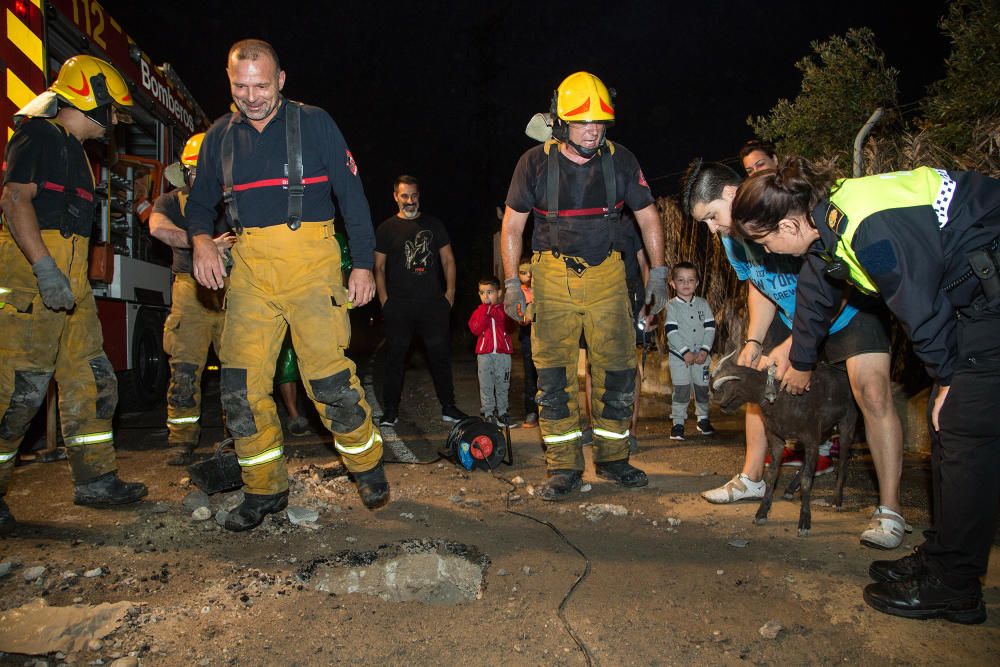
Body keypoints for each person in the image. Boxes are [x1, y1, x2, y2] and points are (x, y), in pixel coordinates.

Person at [731, 157, 1000, 625]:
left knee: (962, 430)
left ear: (791, 223)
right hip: (975, 289)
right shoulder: (830, 221)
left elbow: (921, 309)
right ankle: (943, 555)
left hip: (988, 292)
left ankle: (955, 585)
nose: (769, 252)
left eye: (767, 239)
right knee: (950, 436)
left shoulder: (869, 230)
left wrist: (948, 382)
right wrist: (800, 361)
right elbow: (816, 293)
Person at [186, 39, 387, 531]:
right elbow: (198, 205)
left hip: (312, 260)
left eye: (260, 85)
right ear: (229, 83)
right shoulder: (218, 137)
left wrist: (362, 264)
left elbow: (353, 197)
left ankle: (366, 465)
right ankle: (265, 489)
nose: (251, 97)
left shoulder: (314, 123)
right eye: (240, 86)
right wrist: (202, 243)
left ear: (280, 80)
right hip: (251, 269)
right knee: (240, 386)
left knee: (327, 379)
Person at [684, 161, 907, 551]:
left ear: (731, 196)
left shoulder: (788, 215)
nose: (711, 229)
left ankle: (890, 510)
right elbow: (758, 284)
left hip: (847, 308)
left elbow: (834, 284)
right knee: (756, 381)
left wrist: (794, 347)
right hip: (791, 315)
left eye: (711, 217)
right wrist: (755, 342)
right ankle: (752, 478)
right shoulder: (732, 237)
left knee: (871, 392)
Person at [500, 71, 668, 500]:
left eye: (599, 122)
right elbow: (512, 226)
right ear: (560, 121)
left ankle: (613, 458)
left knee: (615, 372)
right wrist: (511, 283)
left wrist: (660, 273)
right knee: (553, 376)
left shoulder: (622, 159)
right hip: (551, 277)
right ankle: (564, 466)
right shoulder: (533, 163)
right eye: (582, 122)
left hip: (610, 275)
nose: (593, 131)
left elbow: (648, 215)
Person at [0, 55, 148, 534]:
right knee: (18, 392)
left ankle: (95, 479)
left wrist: (67, 275)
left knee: (92, 378)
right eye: (114, 113)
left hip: (72, 279)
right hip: (32, 275)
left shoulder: (80, 155)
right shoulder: (38, 134)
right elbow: (15, 200)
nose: (115, 125)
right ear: (93, 99)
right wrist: (44, 268)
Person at [150, 132, 235, 465]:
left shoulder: (235, 202)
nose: (200, 176)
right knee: (184, 369)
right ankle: (182, 440)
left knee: (237, 370)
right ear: (184, 173)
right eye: (194, 170)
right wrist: (204, 242)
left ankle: (237, 436)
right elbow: (158, 228)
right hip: (190, 291)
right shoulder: (171, 202)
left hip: (233, 292)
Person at [374, 175, 467, 426]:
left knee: (439, 356)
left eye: (414, 195)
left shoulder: (434, 224)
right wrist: (384, 300)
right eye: (404, 196)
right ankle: (390, 411)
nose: (410, 201)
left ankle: (448, 407)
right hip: (399, 306)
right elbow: (379, 267)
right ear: (395, 197)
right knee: (395, 359)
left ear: (419, 196)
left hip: (433, 304)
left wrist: (450, 295)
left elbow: (448, 260)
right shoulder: (386, 229)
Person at [664, 262, 716, 440]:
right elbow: (672, 332)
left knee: (702, 389)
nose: (686, 284)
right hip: (680, 358)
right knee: (681, 390)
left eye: (690, 280)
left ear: (697, 283)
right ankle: (678, 423)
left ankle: (703, 419)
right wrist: (685, 352)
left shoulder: (703, 304)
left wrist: (704, 351)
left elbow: (710, 328)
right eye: (681, 280)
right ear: (673, 284)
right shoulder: (672, 306)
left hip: (702, 358)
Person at [468, 277, 516, 425]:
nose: (486, 296)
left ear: (499, 293)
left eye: (490, 292)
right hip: (484, 355)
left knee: (502, 384)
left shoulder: (504, 309)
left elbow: (510, 326)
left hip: (503, 354)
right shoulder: (479, 311)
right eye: (482, 293)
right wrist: (485, 312)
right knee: (486, 384)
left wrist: (493, 311)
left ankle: (502, 412)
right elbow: (475, 329)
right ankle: (488, 413)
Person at [515, 258, 539, 427]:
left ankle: (549, 411)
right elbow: (518, 316)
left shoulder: (542, 290)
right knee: (530, 376)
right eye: (523, 272)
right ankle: (531, 412)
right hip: (527, 338)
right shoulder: (518, 294)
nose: (527, 276)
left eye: (530, 271)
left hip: (545, 337)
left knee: (546, 374)